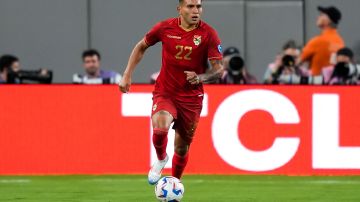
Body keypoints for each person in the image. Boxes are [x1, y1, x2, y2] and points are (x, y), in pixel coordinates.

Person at [119, 0, 224, 185]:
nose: (195, 11)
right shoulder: (164, 28)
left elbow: (218, 70)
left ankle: (174, 183)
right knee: (160, 127)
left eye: (198, 7)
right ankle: (160, 159)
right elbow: (141, 46)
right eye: (190, 6)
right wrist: (127, 74)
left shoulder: (209, 34)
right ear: (180, 9)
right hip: (165, 91)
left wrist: (200, 77)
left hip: (191, 98)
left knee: (182, 148)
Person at [301, 6, 345, 76]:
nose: (318, 17)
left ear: (329, 20)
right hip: (333, 83)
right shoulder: (340, 42)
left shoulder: (318, 41)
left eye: (321, 15)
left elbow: (298, 60)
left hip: (316, 83)